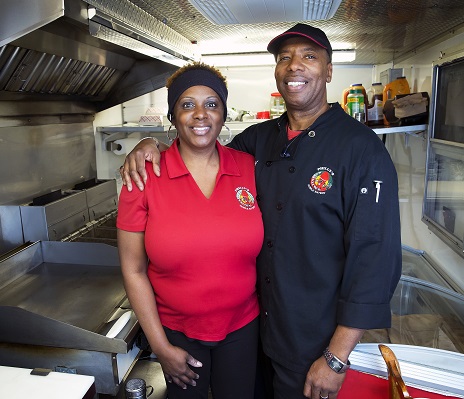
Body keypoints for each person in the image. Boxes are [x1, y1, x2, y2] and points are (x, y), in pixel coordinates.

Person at [121, 23, 402, 399]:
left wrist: (336, 357)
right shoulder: (257, 141)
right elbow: (200, 144)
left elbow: (375, 260)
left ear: (329, 70)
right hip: (258, 336)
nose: (294, 66)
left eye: (308, 56)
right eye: (284, 57)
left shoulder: (362, 150)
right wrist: (148, 142)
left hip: (314, 344)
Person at [116, 62, 264, 399]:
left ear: (223, 114)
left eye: (211, 104)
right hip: (175, 332)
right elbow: (133, 268)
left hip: (243, 327)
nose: (200, 114)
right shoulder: (143, 177)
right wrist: (161, 346)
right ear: (173, 115)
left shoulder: (248, 167)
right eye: (187, 104)